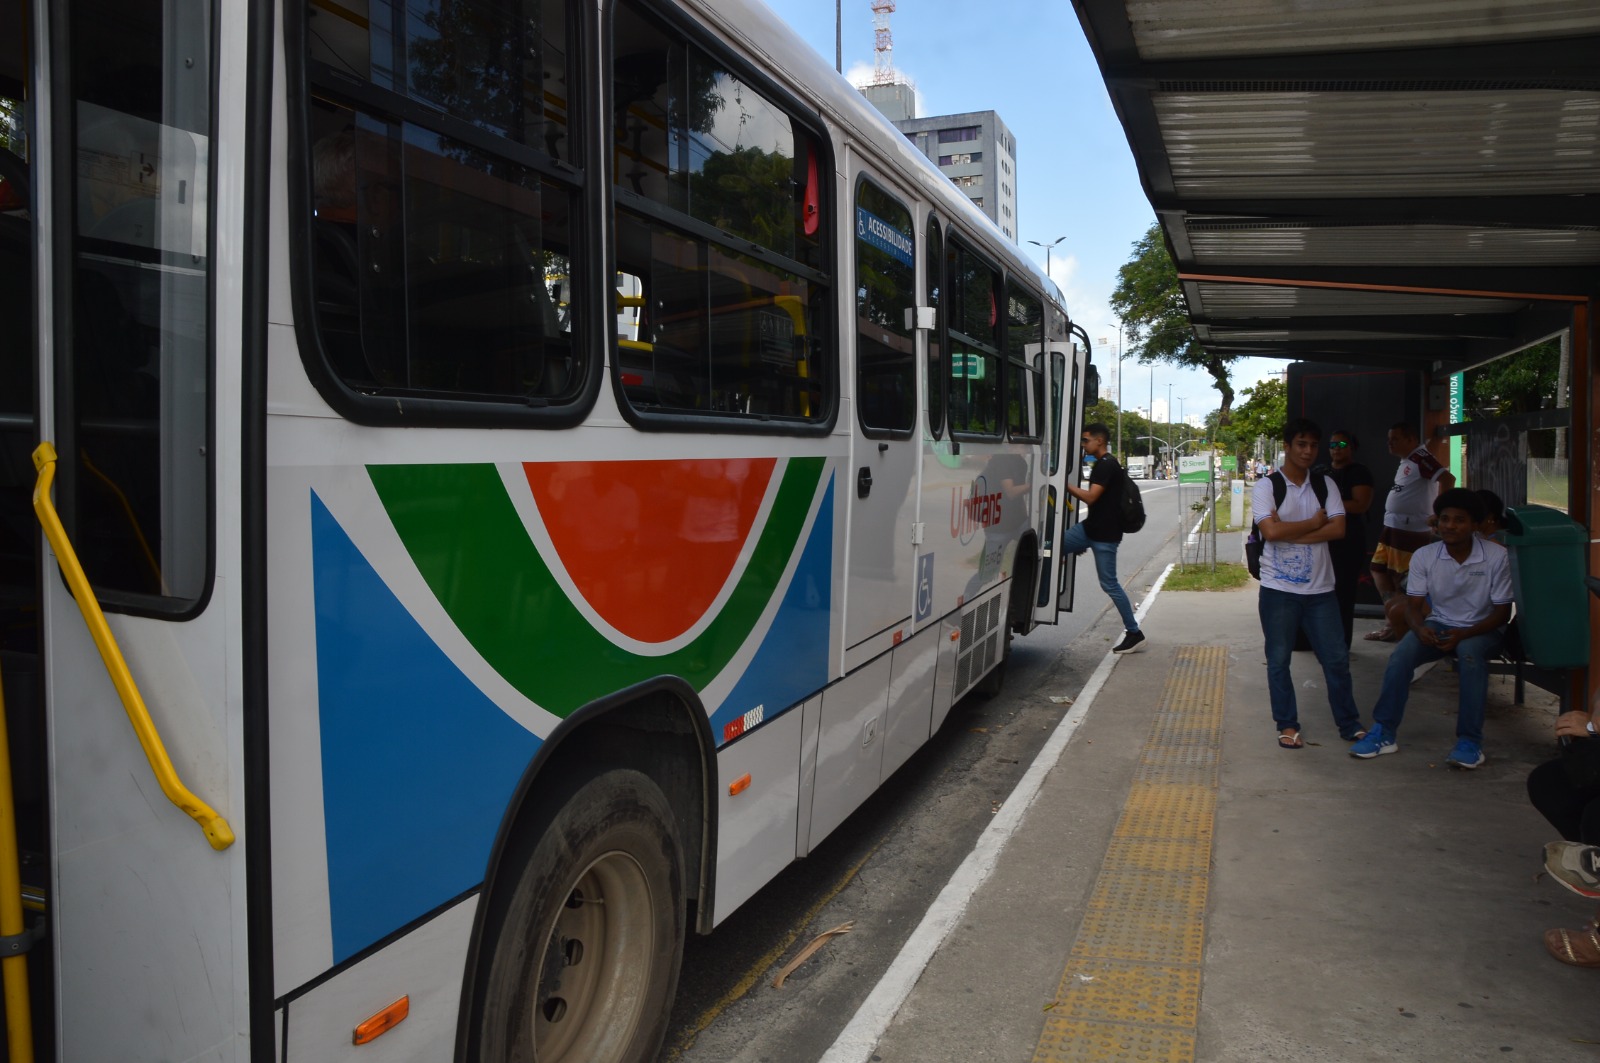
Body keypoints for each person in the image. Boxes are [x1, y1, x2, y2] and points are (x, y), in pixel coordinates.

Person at [1350, 488, 1511, 768]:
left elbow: (1501, 614)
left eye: (1459, 520)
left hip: (1482, 628)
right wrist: (1420, 628)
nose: (1450, 526)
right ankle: (1384, 732)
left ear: (1475, 525)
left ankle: (1469, 742)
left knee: (1470, 656)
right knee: (1400, 658)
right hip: (1440, 623)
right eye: (1444, 519)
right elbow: (1413, 607)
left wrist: (1464, 634)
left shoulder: (1496, 556)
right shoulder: (1425, 555)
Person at [1253, 418, 1366, 748]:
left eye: (1313, 445)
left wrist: (1296, 533)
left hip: (1320, 591)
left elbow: (1338, 530)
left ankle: (1350, 723)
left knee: (1336, 659)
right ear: (1287, 446)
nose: (1308, 451)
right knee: (1278, 661)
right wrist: (1314, 523)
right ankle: (1287, 725)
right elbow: (1270, 533)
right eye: (1301, 444)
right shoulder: (1266, 487)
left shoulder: (1325, 486)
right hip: (1278, 590)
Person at [1366, 422, 1455, 641]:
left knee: (1402, 579)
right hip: (1393, 527)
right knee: (1378, 569)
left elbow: (1447, 479)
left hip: (1410, 530)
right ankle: (1393, 616)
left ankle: (1397, 624)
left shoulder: (1420, 458)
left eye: (1395, 438)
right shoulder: (1409, 460)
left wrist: (1439, 512)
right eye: (1389, 438)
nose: (1390, 443)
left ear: (1411, 440)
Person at [1062, 423, 1145, 654]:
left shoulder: (1107, 465)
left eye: (1086, 440)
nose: (1083, 444)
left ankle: (1134, 633)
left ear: (1099, 441)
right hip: (1089, 529)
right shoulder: (1103, 463)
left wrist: (1063, 484)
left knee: (1109, 584)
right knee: (1050, 548)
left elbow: (1090, 498)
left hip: (1104, 536)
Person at [1320, 429, 1375, 647]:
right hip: (1322, 540)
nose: (1335, 449)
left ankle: (1341, 644)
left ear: (1352, 448)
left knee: (1343, 594)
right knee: (1322, 593)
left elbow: (1361, 504)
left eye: (1341, 445)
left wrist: (1328, 507)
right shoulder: (1321, 471)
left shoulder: (1359, 472)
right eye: (1332, 445)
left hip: (1348, 542)